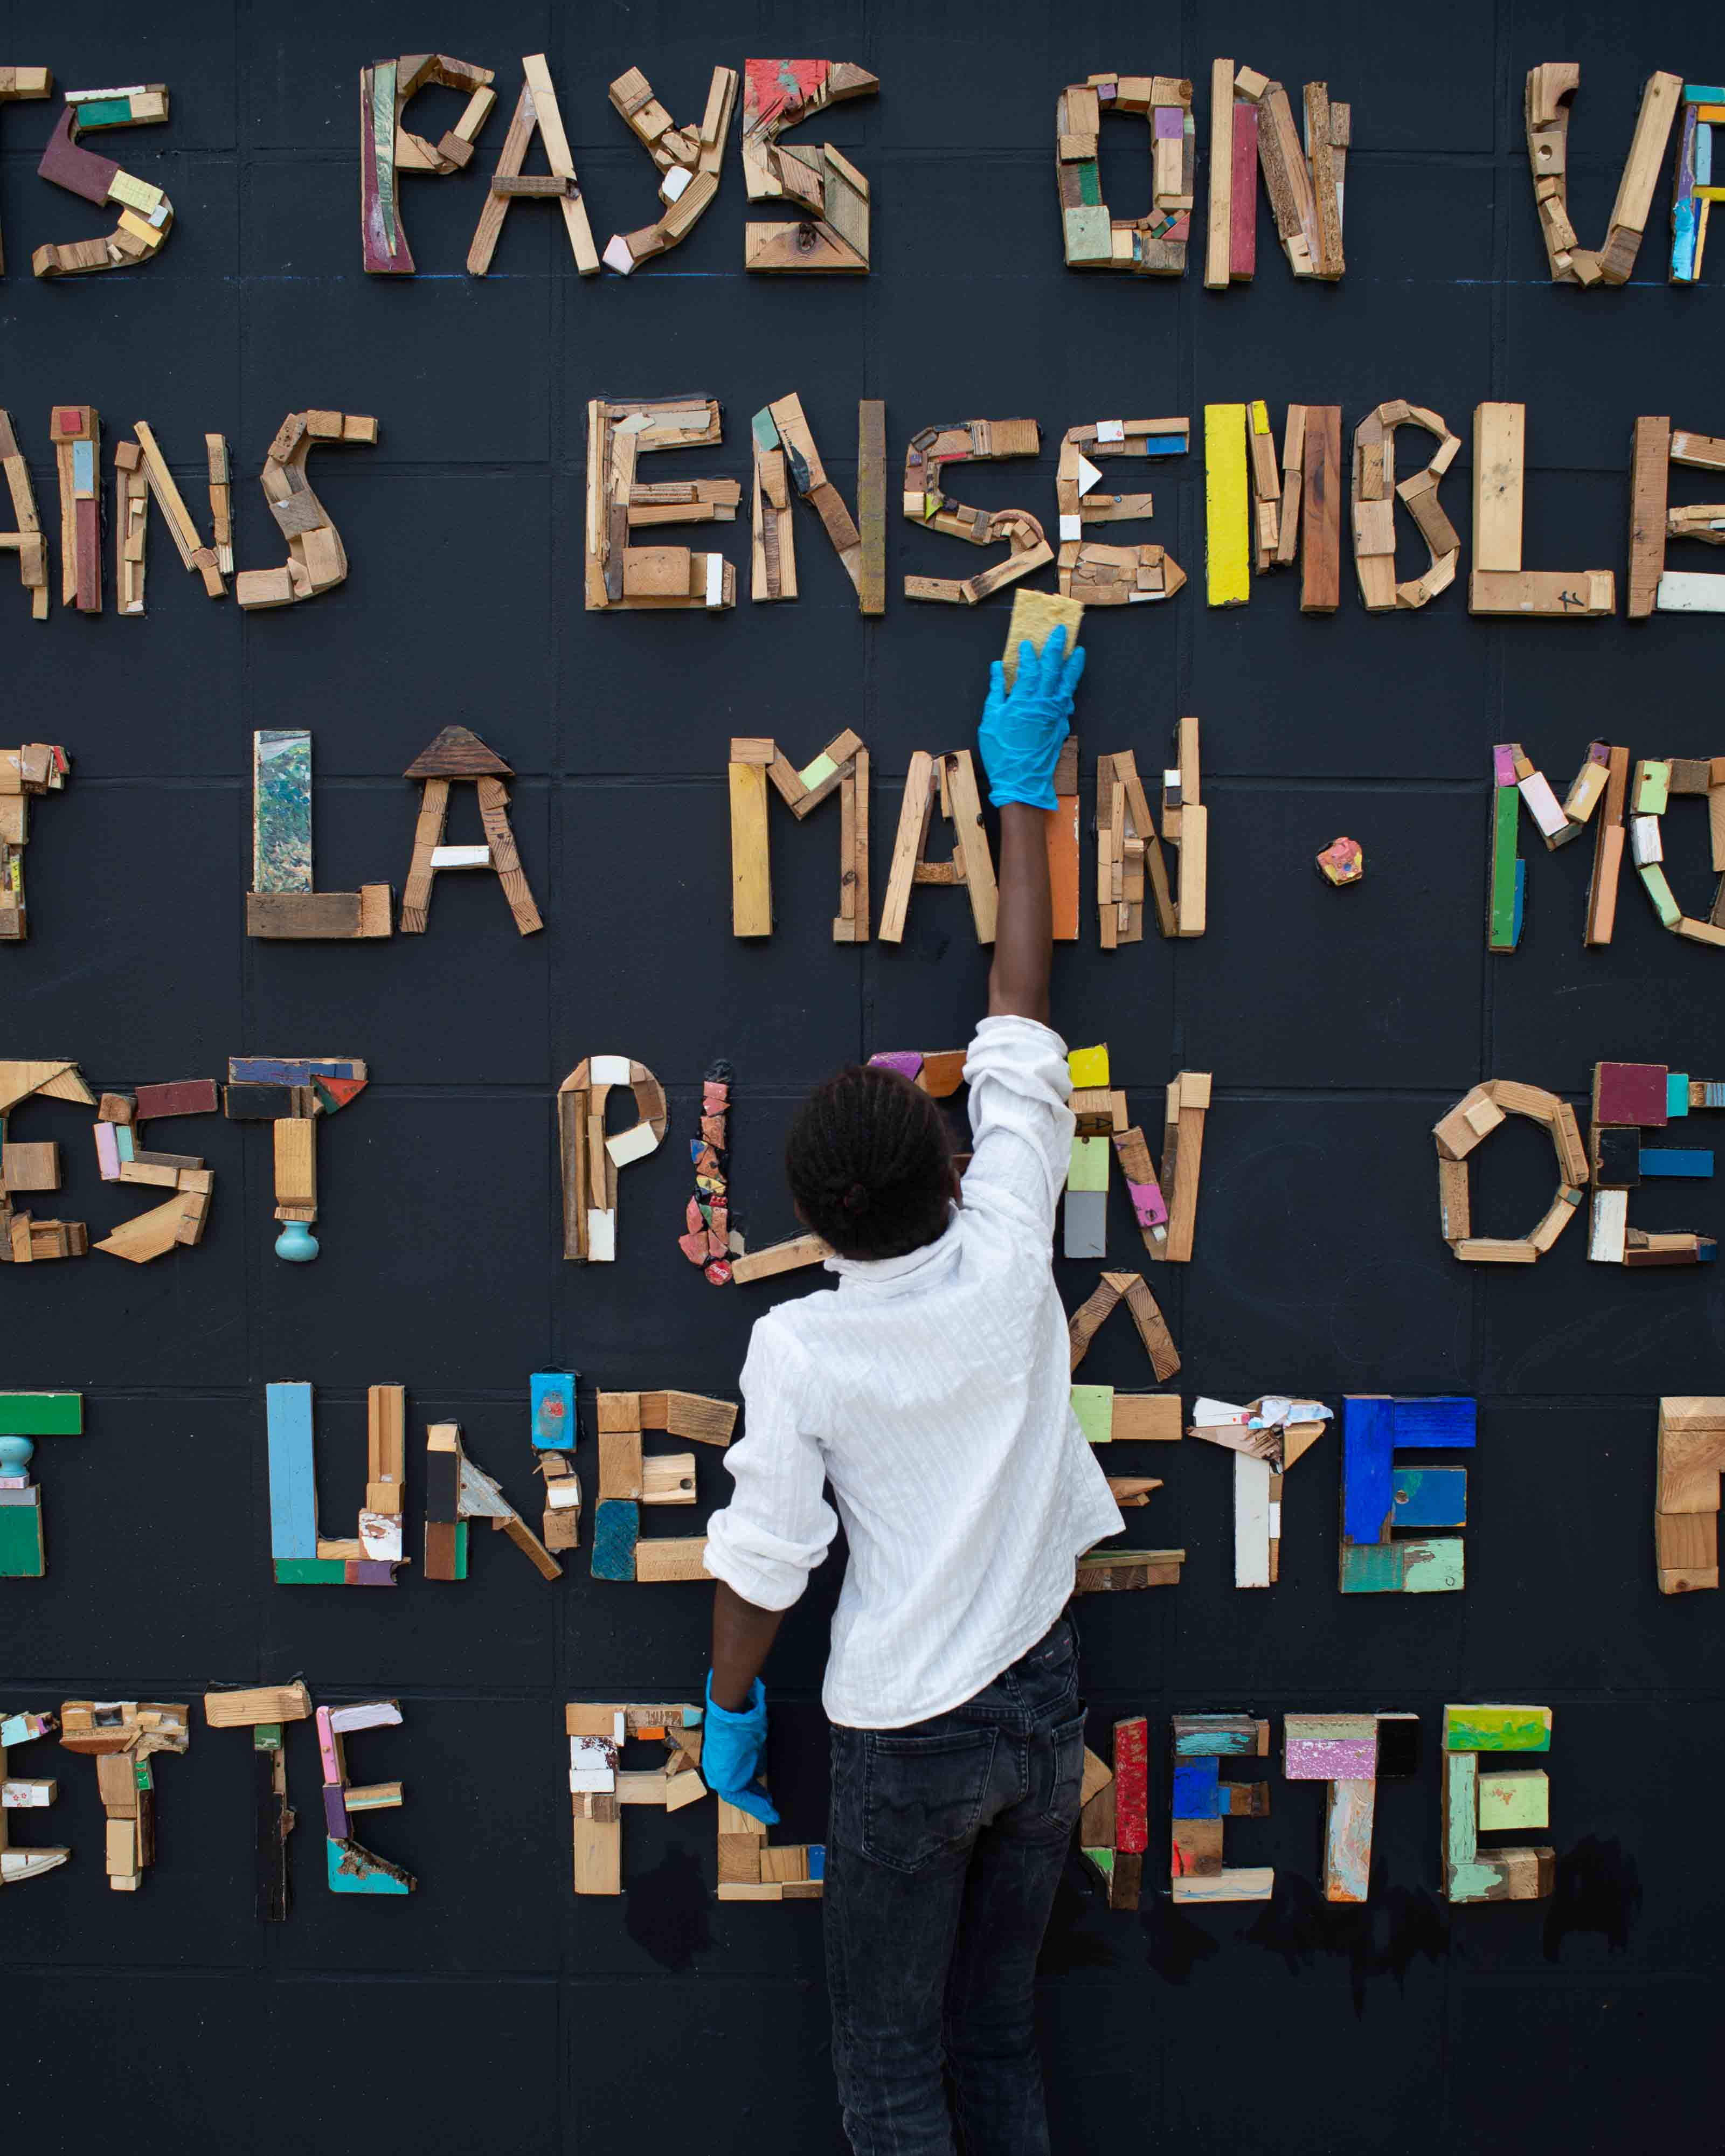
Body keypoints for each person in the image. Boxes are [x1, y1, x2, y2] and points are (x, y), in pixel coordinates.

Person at [699, 624, 1122, 2155]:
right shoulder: (1010, 1241)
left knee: (889, 2070)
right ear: (951, 1170)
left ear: (816, 1230)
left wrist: (729, 1702)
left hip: (907, 1733)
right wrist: (1026, 792)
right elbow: (1018, 1014)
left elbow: (765, 1557)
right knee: (998, 2035)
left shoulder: (801, 1345)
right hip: (1039, 1709)